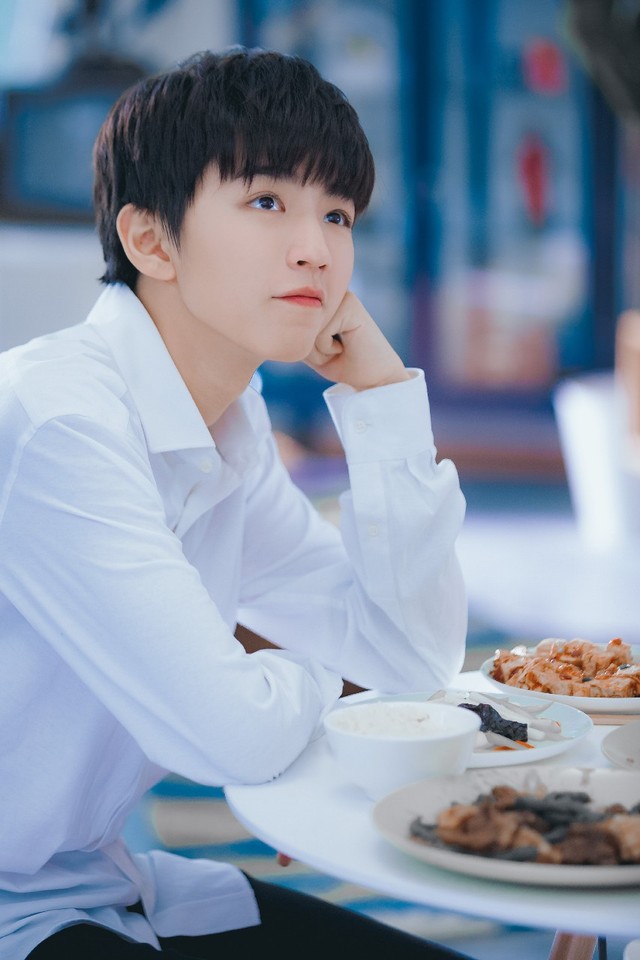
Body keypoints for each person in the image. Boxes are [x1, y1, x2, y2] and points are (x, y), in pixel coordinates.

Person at [0, 47, 470, 960]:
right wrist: (326, 692)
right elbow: (230, 736)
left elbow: (412, 656)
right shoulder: (60, 421)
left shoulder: (229, 422)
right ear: (150, 241)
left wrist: (382, 401)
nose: (317, 249)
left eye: (337, 213)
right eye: (266, 202)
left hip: (96, 885)